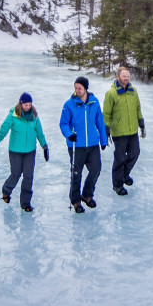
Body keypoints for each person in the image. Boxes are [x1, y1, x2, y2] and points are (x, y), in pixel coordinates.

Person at [0, 92, 49, 213]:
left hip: (30, 151)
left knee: (28, 176)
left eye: (30, 104)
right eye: (25, 104)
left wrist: (44, 146)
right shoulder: (13, 116)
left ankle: (25, 203)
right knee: (16, 174)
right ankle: (6, 190)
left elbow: (39, 132)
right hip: (15, 151)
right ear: (21, 104)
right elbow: (2, 132)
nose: (28, 107)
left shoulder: (34, 116)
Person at [59, 76, 107, 213]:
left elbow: (100, 122)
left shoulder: (94, 102)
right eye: (75, 88)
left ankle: (87, 194)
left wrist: (103, 140)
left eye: (79, 88)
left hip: (92, 144)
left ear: (85, 88)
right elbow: (63, 123)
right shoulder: (69, 104)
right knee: (76, 173)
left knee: (96, 169)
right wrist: (69, 134)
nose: (77, 90)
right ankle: (75, 201)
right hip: (76, 144)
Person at [103, 66, 145, 196]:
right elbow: (106, 114)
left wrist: (141, 124)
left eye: (128, 76)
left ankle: (125, 175)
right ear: (118, 77)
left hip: (132, 130)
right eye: (123, 76)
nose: (126, 78)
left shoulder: (133, 91)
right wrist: (106, 129)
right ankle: (117, 185)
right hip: (119, 132)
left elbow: (138, 108)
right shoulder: (111, 93)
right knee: (120, 159)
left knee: (135, 154)